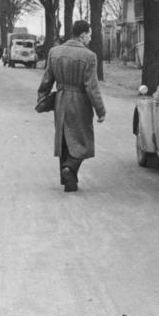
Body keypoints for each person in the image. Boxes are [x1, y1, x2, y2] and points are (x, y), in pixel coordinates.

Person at [37, 20, 106, 192]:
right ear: (82, 35)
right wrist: (100, 110)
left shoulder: (54, 52)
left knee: (64, 140)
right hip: (80, 102)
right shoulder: (89, 56)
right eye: (89, 35)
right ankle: (69, 169)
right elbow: (92, 86)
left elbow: (46, 80)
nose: (90, 38)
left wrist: (42, 98)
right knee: (83, 141)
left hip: (61, 100)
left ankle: (69, 181)